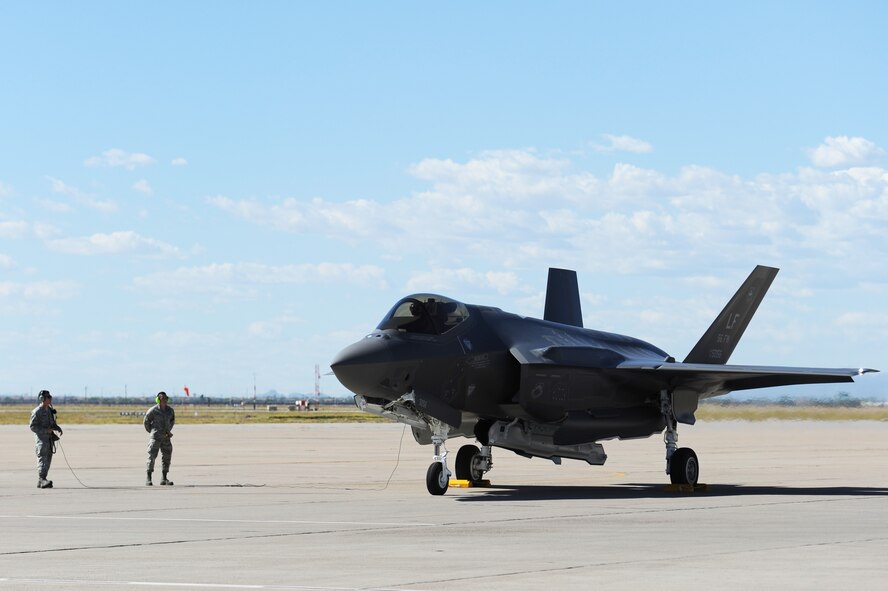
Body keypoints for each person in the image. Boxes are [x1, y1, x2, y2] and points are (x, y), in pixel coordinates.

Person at [29, 390, 63, 489]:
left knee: (48, 459)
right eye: (48, 397)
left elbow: (51, 423)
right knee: (42, 459)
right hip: (41, 440)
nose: (50, 398)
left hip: (49, 439)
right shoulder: (37, 411)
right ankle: (41, 479)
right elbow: (32, 427)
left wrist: (57, 427)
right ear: (42, 399)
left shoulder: (49, 410)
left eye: (50, 397)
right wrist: (45, 431)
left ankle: (43, 480)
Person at [144, 391, 175, 486]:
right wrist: (153, 432)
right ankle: (148, 479)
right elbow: (146, 422)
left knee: (167, 457)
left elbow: (172, 421)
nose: (164, 400)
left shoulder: (170, 410)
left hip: (166, 437)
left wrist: (168, 430)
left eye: (165, 399)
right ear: (158, 399)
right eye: (162, 398)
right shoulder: (153, 411)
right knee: (151, 456)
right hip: (155, 437)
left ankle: (164, 478)